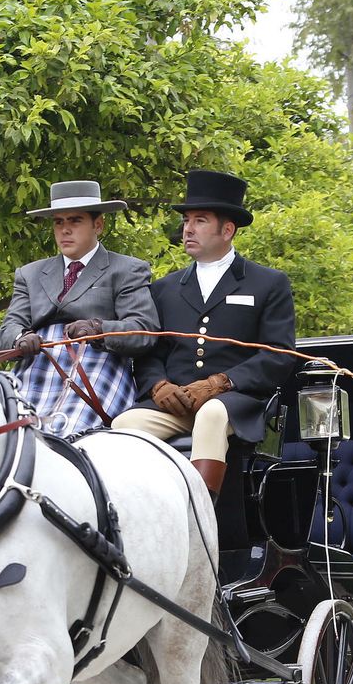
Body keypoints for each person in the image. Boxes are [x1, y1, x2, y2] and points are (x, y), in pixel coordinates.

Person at [114, 169, 297, 494]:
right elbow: (150, 353)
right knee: (124, 425)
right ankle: (141, 511)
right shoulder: (165, 288)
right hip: (176, 403)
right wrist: (158, 387)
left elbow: (277, 355)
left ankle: (201, 517)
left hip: (237, 402)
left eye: (199, 221)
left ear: (227, 229)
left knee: (212, 413)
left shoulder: (268, 283)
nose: (187, 229)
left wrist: (220, 383)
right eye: (186, 221)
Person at [0, 180, 158, 436]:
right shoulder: (30, 274)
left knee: (66, 439)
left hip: (97, 367)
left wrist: (98, 328)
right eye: (58, 222)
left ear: (98, 225)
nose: (65, 230)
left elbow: (143, 330)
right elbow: (8, 328)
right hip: (37, 368)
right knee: (2, 437)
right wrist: (21, 338)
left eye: (74, 221)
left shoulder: (127, 269)